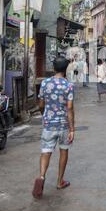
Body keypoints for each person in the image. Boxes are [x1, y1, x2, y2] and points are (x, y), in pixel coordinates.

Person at [32, 56, 75, 199]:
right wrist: (72, 129)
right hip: (63, 125)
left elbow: (41, 105)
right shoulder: (68, 85)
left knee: (46, 152)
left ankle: (42, 176)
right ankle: (59, 181)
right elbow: (69, 109)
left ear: (54, 68)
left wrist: (44, 115)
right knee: (64, 151)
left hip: (49, 124)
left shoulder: (45, 83)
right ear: (65, 69)